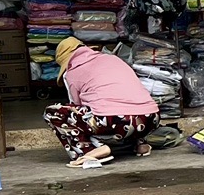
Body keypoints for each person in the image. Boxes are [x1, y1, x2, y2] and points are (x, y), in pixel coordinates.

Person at [44, 36, 159, 168]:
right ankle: (140, 144)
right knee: (127, 107)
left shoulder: (73, 71)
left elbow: (77, 107)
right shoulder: (112, 58)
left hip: (116, 121)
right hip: (151, 118)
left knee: (53, 112)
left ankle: (89, 150)